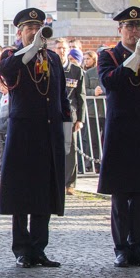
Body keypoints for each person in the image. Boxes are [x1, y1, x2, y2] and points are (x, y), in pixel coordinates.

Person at [0, 9, 70, 268]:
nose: (35, 31)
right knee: (21, 193)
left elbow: (61, 95)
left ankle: (39, 247)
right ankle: (22, 249)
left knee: (44, 192)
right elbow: (7, 70)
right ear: (19, 32)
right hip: (23, 134)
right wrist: (31, 48)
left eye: (38, 27)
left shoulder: (52, 58)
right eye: (29, 27)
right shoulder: (11, 54)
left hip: (48, 132)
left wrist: (66, 127)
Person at [97, 6, 140, 268]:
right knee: (121, 196)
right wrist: (133, 58)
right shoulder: (109, 56)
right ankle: (122, 248)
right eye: (130, 27)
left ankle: (138, 247)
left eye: (138, 27)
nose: (134, 32)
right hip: (121, 135)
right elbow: (111, 83)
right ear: (120, 30)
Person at [56, 40, 86, 195]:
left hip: (70, 116)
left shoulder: (75, 70)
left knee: (69, 150)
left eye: (64, 48)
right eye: (59, 48)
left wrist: (80, 119)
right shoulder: (51, 68)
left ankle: (69, 183)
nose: (61, 51)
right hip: (54, 115)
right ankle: (55, 181)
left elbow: (80, 96)